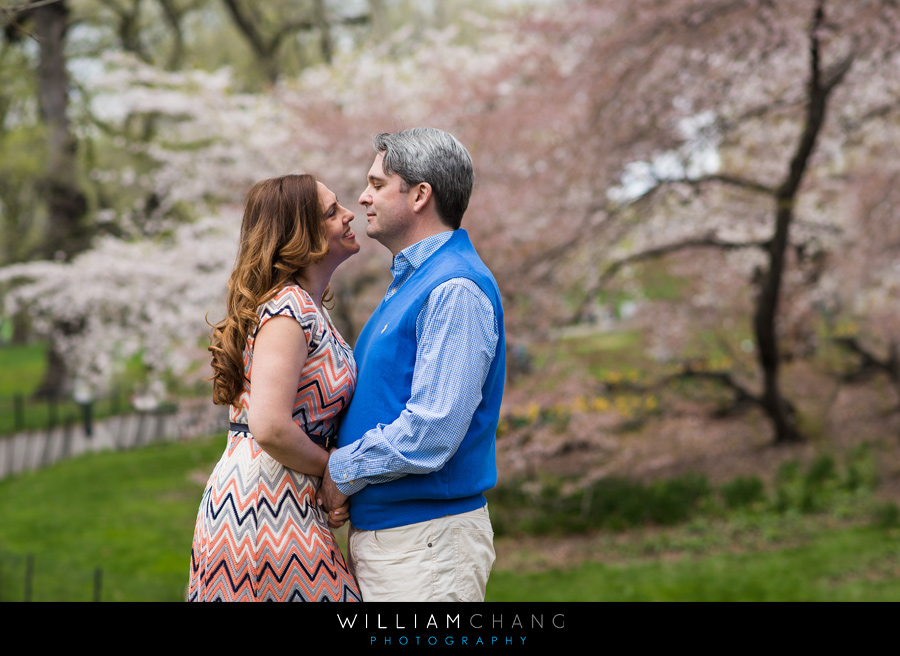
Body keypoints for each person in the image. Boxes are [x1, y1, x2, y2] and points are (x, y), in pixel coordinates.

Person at [317, 128, 506, 602]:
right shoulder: (413, 283)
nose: (363, 198)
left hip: (427, 542)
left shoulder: (453, 288)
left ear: (420, 194)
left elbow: (434, 427)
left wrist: (343, 470)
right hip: (404, 540)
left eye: (378, 184)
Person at [189, 173, 362, 602]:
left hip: (279, 493)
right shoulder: (288, 309)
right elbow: (268, 425)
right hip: (264, 505)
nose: (349, 214)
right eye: (332, 211)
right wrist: (335, 470)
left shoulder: (304, 306)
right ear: (302, 236)